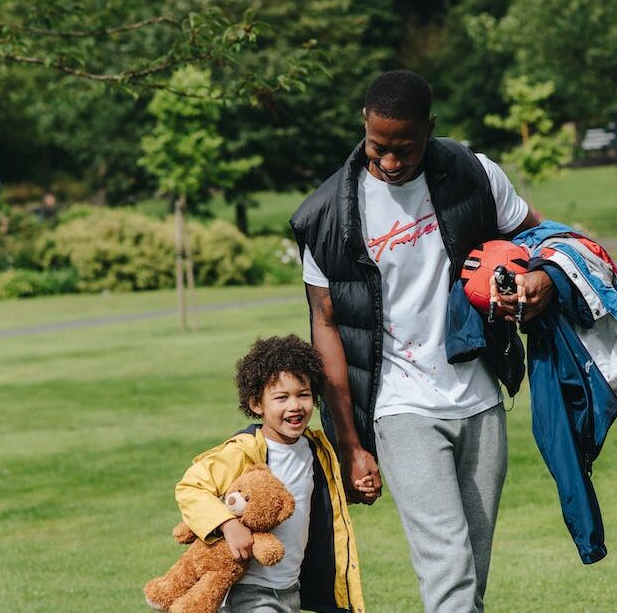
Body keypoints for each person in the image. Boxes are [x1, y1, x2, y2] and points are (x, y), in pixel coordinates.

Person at [290, 70, 554, 612]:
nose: (389, 162)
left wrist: (539, 279)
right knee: (448, 570)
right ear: (364, 125)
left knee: (470, 575)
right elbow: (326, 326)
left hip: (479, 397)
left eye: (404, 150)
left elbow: (539, 236)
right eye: (376, 147)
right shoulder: (326, 216)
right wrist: (350, 442)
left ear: (429, 130)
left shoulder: (473, 175)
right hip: (401, 406)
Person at [174, 334, 365, 613]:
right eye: (281, 397)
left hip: (290, 588)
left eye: (303, 394)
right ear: (256, 404)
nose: (295, 406)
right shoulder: (243, 451)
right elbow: (190, 488)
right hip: (246, 588)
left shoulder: (316, 450)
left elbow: (320, 501)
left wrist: (358, 486)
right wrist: (229, 524)